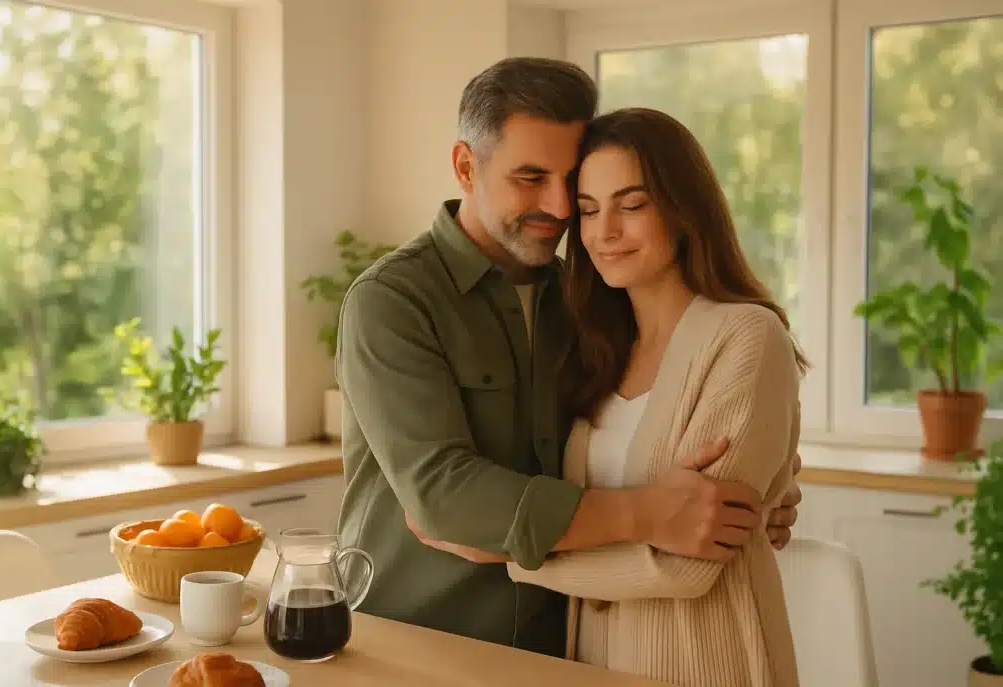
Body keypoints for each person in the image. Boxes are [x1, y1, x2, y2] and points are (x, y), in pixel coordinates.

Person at [335, 57, 802, 658]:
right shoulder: (391, 301)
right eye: (531, 178)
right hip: (417, 647)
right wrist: (647, 515)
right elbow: (444, 498)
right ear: (464, 166)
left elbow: (648, 433)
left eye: (570, 182)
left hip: (561, 649)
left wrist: (768, 482)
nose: (558, 207)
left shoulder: (588, 303)